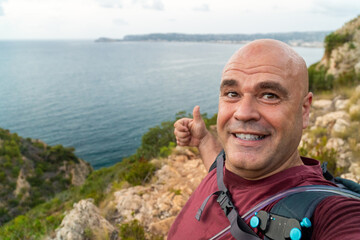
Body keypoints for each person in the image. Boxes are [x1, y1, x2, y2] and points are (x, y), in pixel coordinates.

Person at [167, 39, 360, 239]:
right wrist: (204, 140)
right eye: (232, 93)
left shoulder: (332, 213)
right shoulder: (228, 167)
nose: (243, 113)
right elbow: (219, 171)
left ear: (304, 110)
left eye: (269, 95)